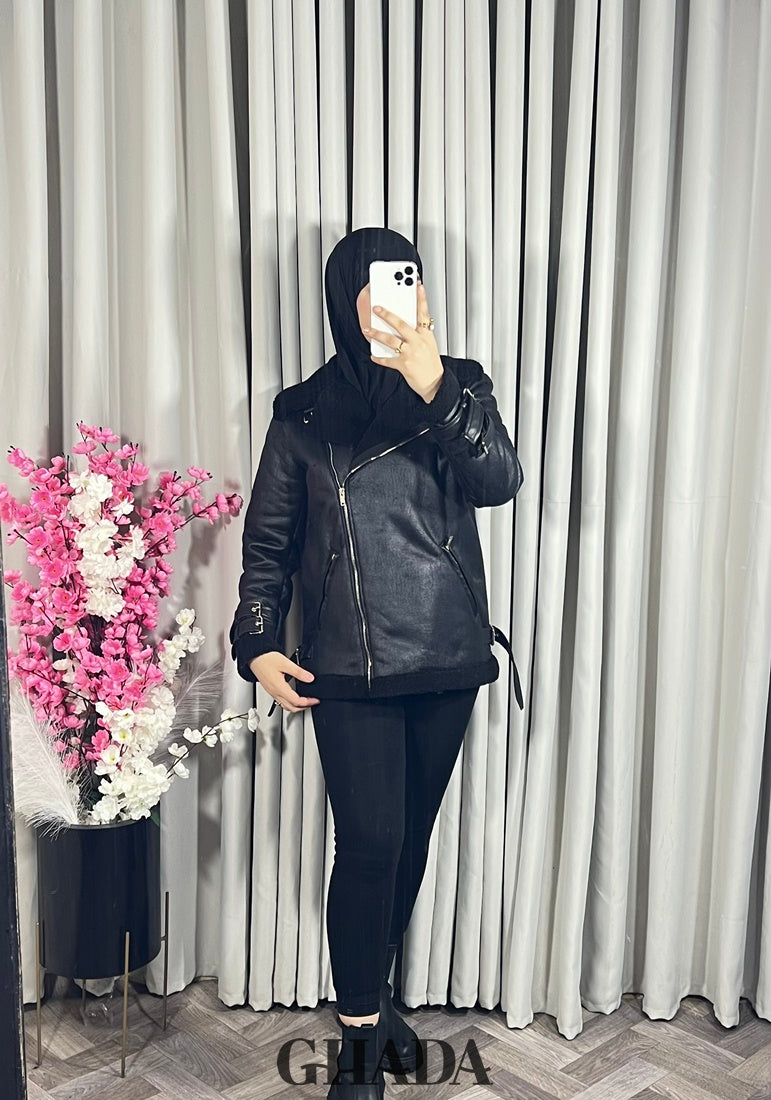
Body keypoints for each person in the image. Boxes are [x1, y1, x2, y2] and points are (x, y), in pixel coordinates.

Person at [230, 227, 524, 1098]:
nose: (404, 294)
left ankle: (379, 1001)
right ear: (343, 297)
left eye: (413, 279)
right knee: (369, 846)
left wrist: (435, 387)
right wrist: (257, 643)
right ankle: (360, 1038)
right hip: (346, 664)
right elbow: (268, 545)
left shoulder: (459, 383)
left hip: (445, 655)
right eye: (384, 282)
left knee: (408, 846)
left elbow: (499, 482)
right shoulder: (302, 412)